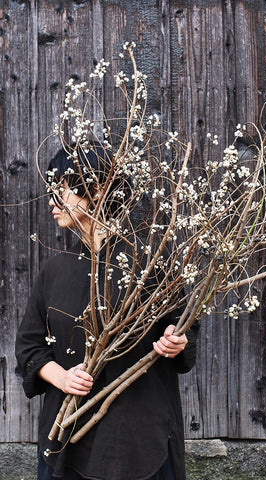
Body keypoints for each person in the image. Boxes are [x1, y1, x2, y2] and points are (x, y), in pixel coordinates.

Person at [15, 143, 198, 480]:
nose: (53, 201)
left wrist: (177, 340)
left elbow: (184, 326)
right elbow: (29, 348)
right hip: (67, 440)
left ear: (97, 190)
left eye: (63, 189)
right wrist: (63, 377)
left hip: (141, 436)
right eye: (51, 190)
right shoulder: (54, 271)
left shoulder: (150, 263)